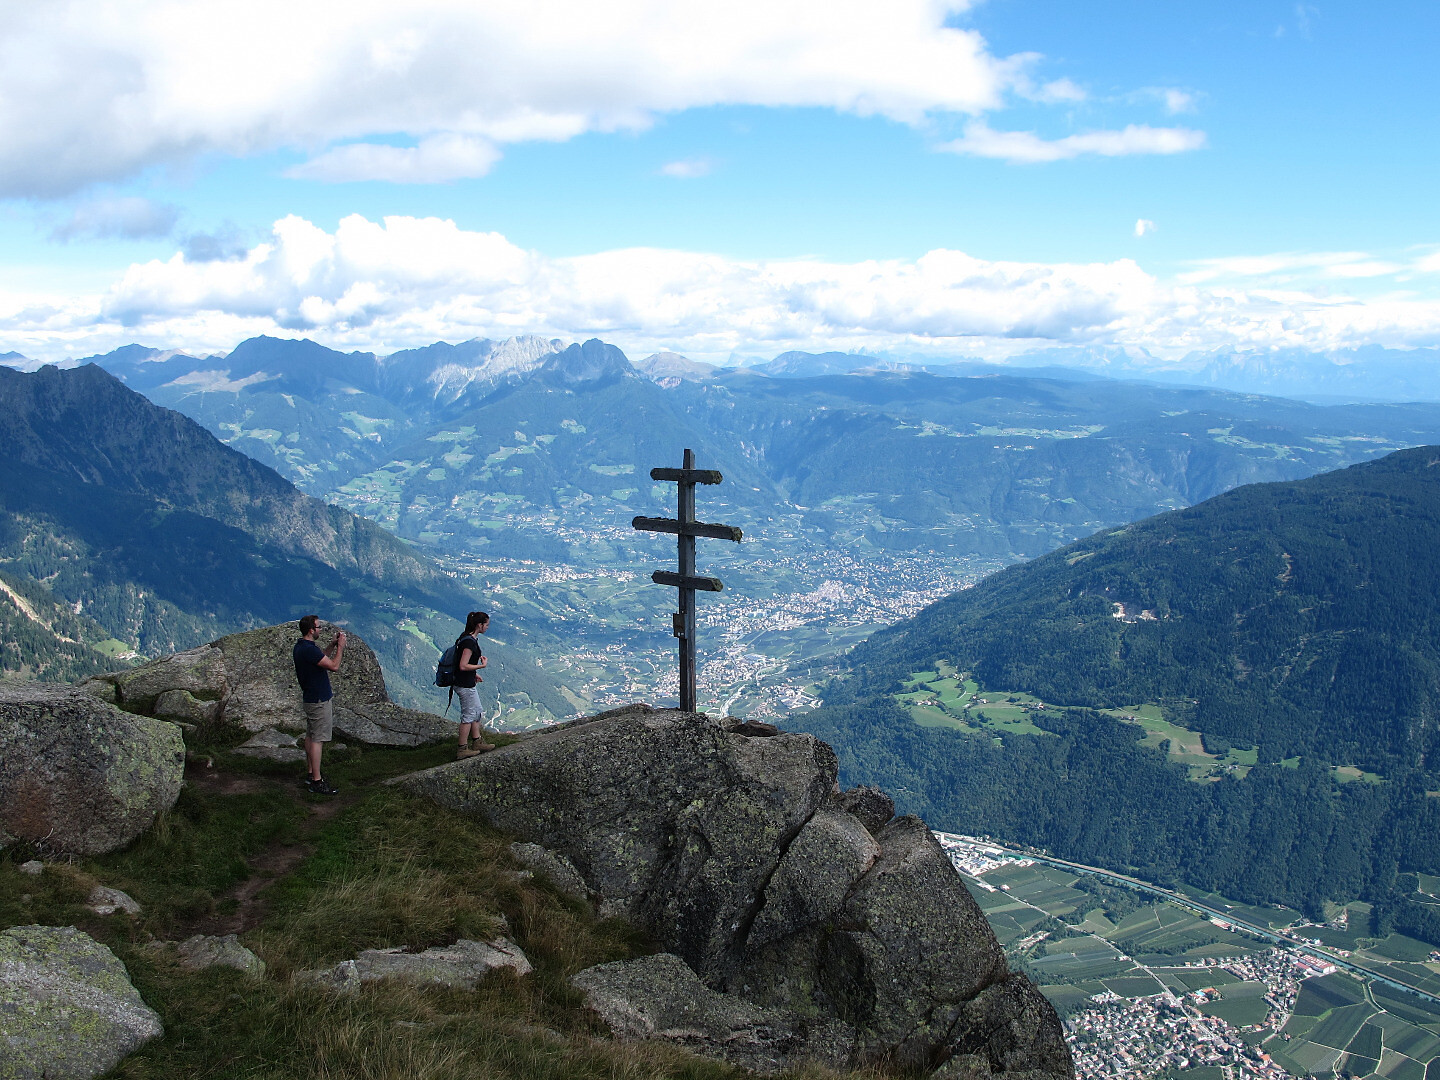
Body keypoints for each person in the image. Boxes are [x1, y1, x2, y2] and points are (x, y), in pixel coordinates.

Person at [293, 614, 345, 795]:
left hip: (310, 698)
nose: (320, 630)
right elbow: (333, 666)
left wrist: (331, 645)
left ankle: (311, 772)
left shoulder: (302, 647)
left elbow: (319, 658)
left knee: (311, 735)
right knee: (318, 739)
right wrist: (340, 648)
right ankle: (317, 781)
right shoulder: (308, 649)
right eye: (318, 627)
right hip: (319, 700)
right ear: (311, 630)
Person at [454, 611, 495, 759]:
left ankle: (477, 742)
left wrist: (474, 674)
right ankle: (462, 748)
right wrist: (481, 667)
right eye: (486, 625)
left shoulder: (467, 638)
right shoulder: (469, 642)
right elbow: (463, 665)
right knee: (468, 716)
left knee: (477, 711)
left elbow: (464, 665)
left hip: (467, 681)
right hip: (464, 685)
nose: (487, 627)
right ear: (480, 625)